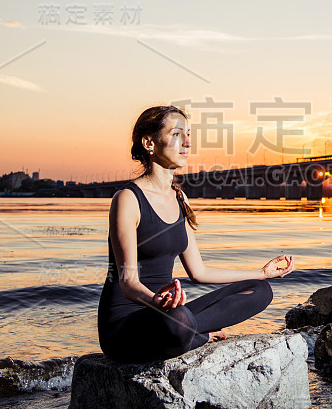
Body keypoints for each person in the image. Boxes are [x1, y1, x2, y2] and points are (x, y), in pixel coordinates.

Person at [97, 105, 295, 363]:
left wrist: (262, 272)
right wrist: (157, 302)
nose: (188, 142)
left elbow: (198, 272)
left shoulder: (179, 198)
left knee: (260, 290)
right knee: (178, 320)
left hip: (169, 315)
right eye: (178, 134)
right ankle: (196, 335)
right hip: (126, 325)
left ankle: (189, 331)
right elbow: (128, 283)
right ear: (149, 142)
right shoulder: (128, 199)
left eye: (189, 134)